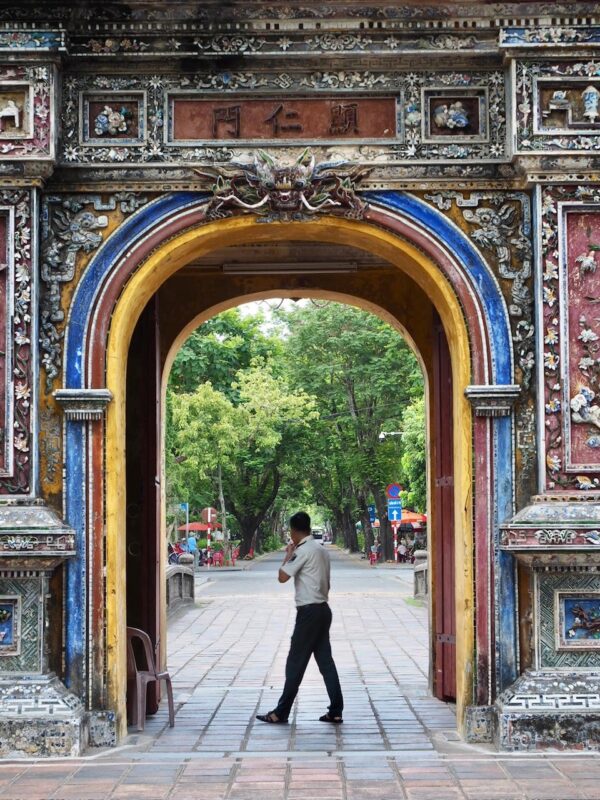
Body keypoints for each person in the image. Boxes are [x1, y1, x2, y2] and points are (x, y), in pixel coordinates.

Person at [256, 511, 344, 725]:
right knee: (325, 662)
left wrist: (288, 554)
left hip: (309, 612)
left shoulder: (303, 551)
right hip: (324, 609)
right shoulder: (321, 550)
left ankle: (280, 712)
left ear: (294, 531)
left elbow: (282, 577)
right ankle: (335, 710)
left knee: (295, 662)